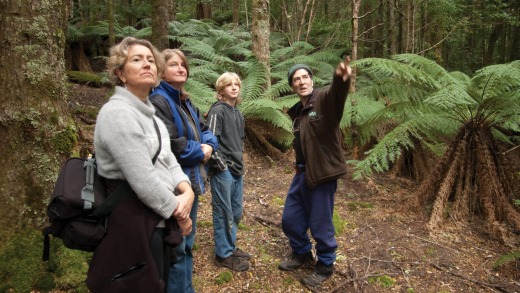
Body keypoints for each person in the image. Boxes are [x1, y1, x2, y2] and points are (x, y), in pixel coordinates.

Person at [87, 37, 195, 293]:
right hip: (132, 223)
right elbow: (142, 177)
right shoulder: (117, 113)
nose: (147, 64)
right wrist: (178, 211)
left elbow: (168, 160)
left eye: (150, 60)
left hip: (156, 221)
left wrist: (186, 189)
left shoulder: (152, 116)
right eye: (136, 60)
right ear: (120, 73)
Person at [278, 56, 352, 287]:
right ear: (292, 86)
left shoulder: (322, 101)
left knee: (320, 223)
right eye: (296, 79)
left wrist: (341, 79)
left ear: (311, 80)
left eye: (305, 77)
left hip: (321, 175)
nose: (301, 82)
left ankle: (325, 264)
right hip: (301, 175)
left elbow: (337, 94)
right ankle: (301, 253)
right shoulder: (300, 112)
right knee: (290, 220)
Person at [150, 49, 218, 293]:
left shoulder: (185, 101)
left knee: (187, 241)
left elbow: (206, 129)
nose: (180, 69)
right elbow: (171, 145)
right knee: (177, 244)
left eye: (183, 65)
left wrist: (209, 144)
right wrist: (201, 151)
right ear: (161, 71)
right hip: (174, 184)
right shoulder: (158, 100)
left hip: (192, 180)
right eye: (173, 65)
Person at [206, 72, 251, 272]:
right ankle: (222, 254)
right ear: (221, 89)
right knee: (223, 212)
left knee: (236, 211)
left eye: (236, 84)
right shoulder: (218, 111)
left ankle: (230, 246)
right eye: (229, 85)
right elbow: (210, 140)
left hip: (237, 168)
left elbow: (239, 141)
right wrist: (221, 166)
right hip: (222, 169)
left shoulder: (238, 113)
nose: (234, 87)